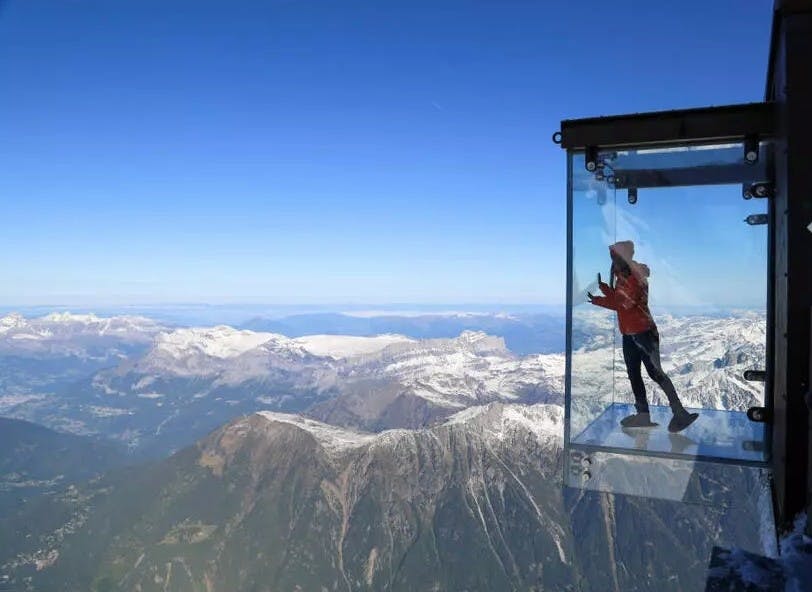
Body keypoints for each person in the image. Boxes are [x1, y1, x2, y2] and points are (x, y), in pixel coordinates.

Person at [587, 240, 698, 433]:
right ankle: (643, 415)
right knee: (634, 375)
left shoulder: (634, 276)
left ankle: (679, 412)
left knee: (655, 373)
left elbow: (624, 304)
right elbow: (621, 298)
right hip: (631, 334)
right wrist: (604, 289)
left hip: (643, 334)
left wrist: (599, 299)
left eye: (614, 257)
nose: (612, 261)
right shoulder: (624, 276)